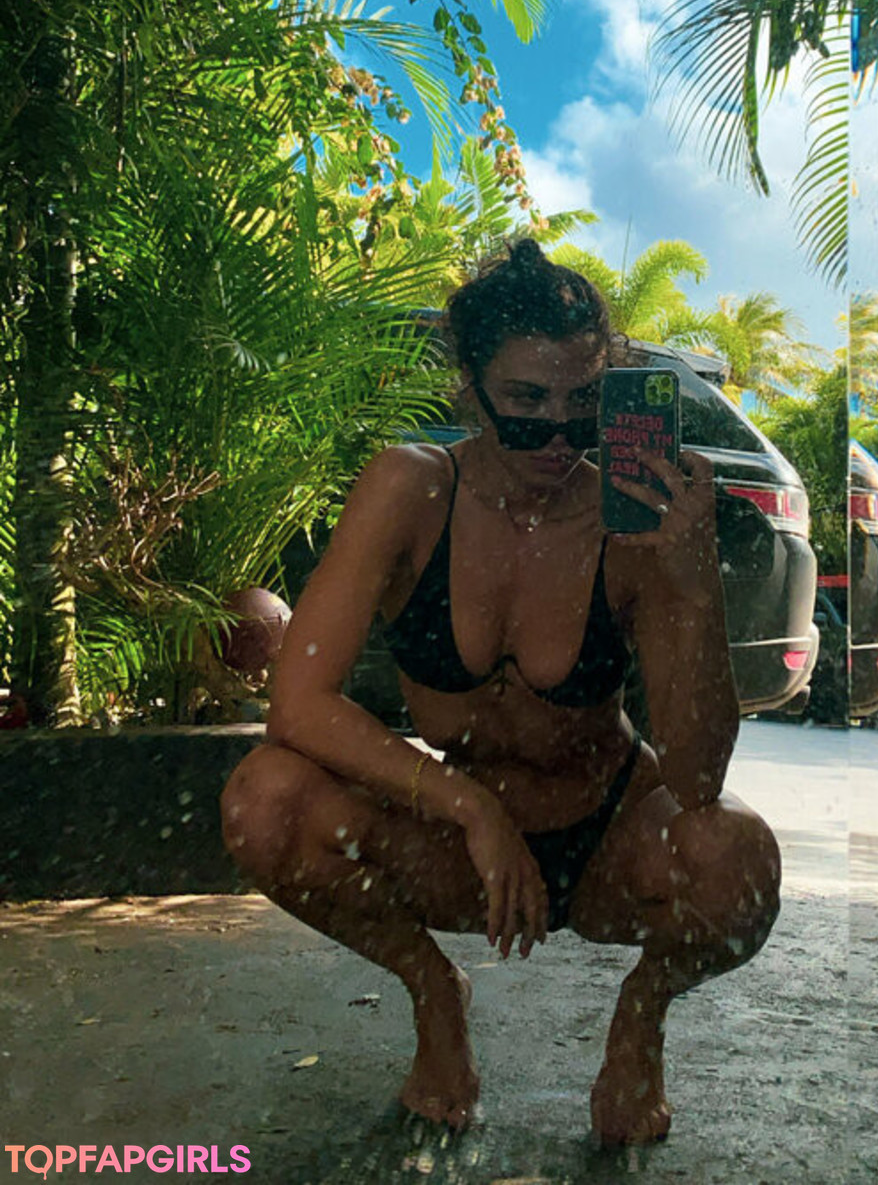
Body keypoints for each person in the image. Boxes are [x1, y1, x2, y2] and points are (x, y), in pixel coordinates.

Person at [220, 239, 781, 1145]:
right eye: (526, 404)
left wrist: (691, 582)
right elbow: (300, 705)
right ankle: (435, 994)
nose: (557, 438)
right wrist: (471, 806)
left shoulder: (631, 525)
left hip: (606, 845)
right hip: (459, 851)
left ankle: (641, 1018)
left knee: (738, 863)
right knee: (264, 802)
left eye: (582, 406)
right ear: (470, 390)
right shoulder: (410, 490)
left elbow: (698, 776)